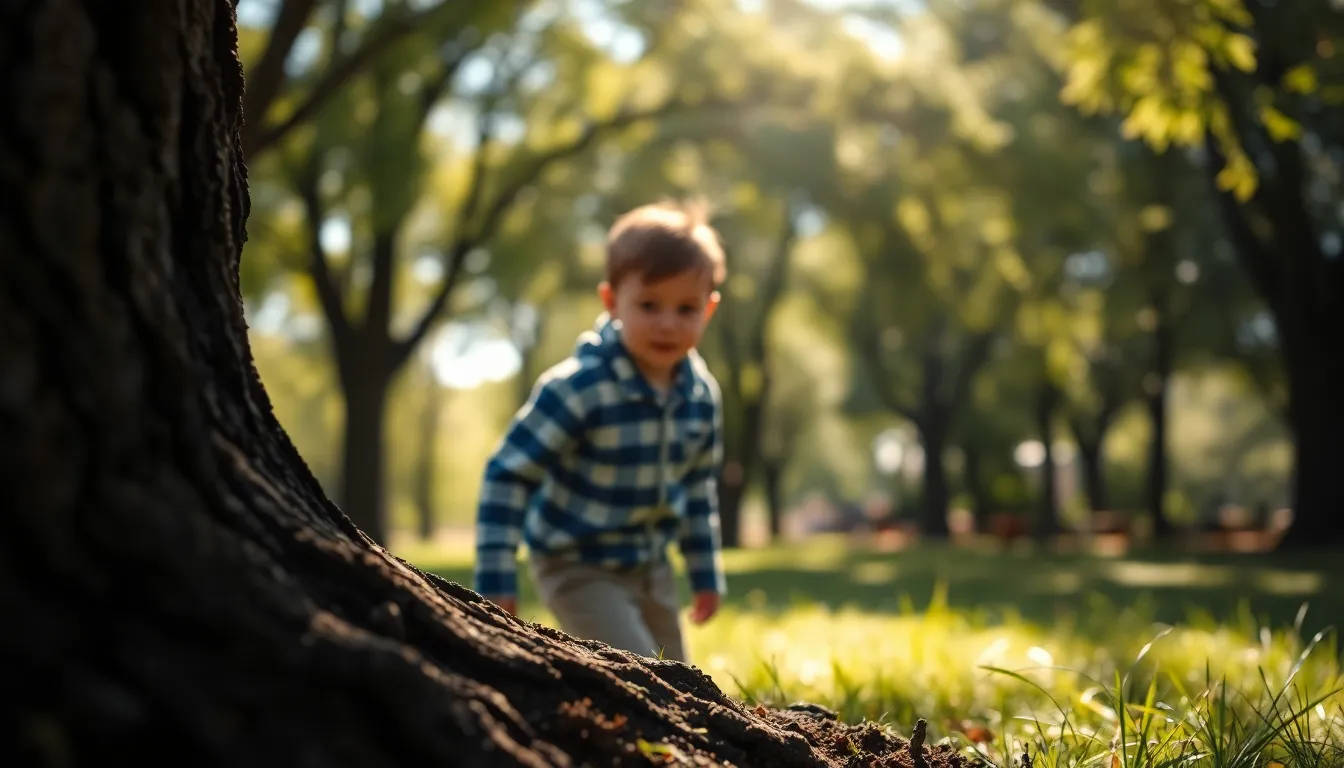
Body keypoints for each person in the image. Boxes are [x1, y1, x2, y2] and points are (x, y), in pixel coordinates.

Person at [472, 199, 728, 664]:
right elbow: (508, 475)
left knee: (683, 681)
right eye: (649, 305)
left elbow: (697, 490)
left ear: (708, 309)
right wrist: (495, 578)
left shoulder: (701, 396)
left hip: (651, 567)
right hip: (577, 564)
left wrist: (706, 575)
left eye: (686, 308)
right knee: (637, 674)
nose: (667, 323)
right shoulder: (578, 388)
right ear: (612, 302)